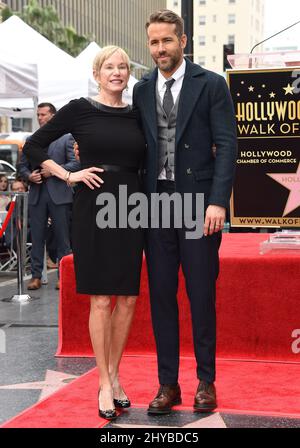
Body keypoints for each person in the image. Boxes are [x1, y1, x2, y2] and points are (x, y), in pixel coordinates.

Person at [22, 46, 146, 420]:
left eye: (123, 67)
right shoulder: (79, 108)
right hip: (92, 206)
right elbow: (33, 146)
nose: (117, 72)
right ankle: (104, 384)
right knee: (101, 299)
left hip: (131, 206)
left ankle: (114, 373)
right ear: (97, 73)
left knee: (126, 298)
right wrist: (68, 174)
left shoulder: (138, 112)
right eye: (109, 66)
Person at [133, 10, 237, 415]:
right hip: (154, 204)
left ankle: (206, 381)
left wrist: (217, 201)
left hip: (199, 205)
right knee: (160, 295)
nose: (160, 49)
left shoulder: (210, 84)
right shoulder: (142, 90)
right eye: (154, 42)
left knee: (200, 294)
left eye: (167, 41)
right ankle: (168, 384)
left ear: (183, 41)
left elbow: (227, 145)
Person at [19, 102, 80, 291]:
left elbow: (76, 164)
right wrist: (30, 176)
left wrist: (52, 172)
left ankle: (64, 276)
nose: (40, 117)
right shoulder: (30, 139)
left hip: (59, 194)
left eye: (43, 114)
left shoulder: (66, 138)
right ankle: (36, 276)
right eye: (38, 114)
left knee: (63, 239)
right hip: (37, 193)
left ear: (53, 116)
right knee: (37, 237)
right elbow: (21, 167)